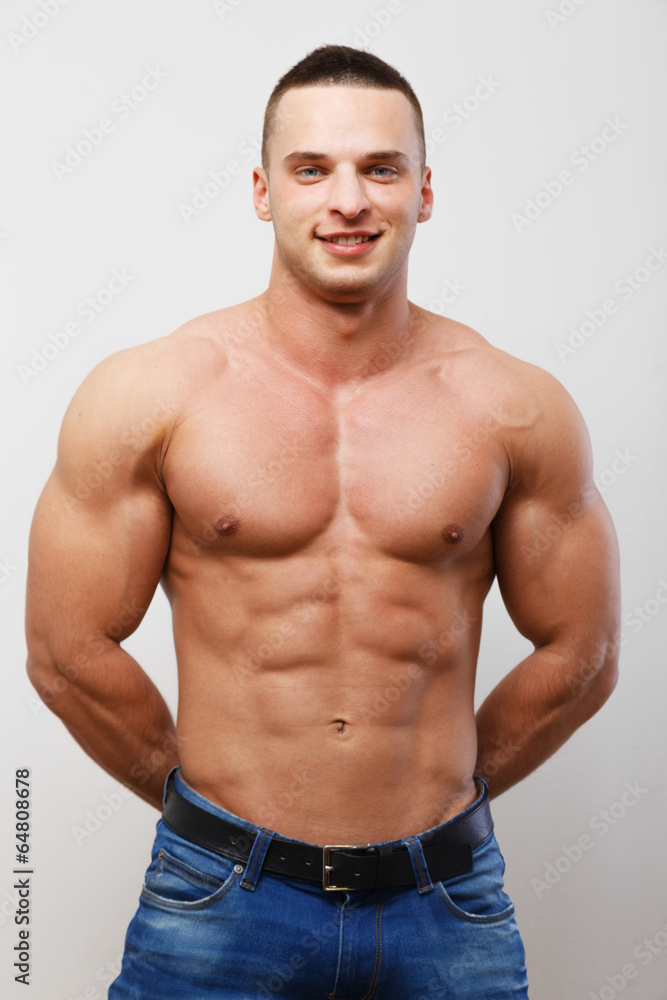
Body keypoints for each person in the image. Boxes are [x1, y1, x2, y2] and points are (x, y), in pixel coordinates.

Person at [25, 44, 620, 998]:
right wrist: (218, 823)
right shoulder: (152, 393)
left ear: (424, 191)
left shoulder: (512, 406)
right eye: (313, 170)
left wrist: (444, 802)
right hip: (216, 897)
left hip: (447, 899)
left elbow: (581, 655)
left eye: (380, 168)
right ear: (264, 192)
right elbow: (65, 651)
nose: (348, 199)